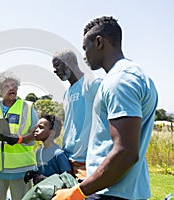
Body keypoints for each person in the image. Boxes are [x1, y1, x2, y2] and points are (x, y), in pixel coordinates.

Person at [53, 16, 158, 199]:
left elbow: (125, 152)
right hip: (125, 191)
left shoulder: (120, 80)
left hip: (112, 193)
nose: (84, 56)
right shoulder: (135, 75)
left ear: (99, 42)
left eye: (86, 48)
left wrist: (77, 192)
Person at [0, 71, 39, 200]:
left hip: (21, 168)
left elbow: (36, 132)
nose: (11, 88)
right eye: (6, 86)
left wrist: (21, 139)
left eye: (14, 85)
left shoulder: (28, 107)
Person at [52, 48, 102, 179]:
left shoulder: (92, 84)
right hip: (66, 158)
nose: (54, 70)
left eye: (57, 65)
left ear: (69, 61)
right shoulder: (66, 93)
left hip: (86, 160)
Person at [24, 114, 72, 185]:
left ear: (52, 133)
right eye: (36, 127)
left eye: (41, 127)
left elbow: (68, 180)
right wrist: (33, 174)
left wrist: (43, 178)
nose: (36, 130)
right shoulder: (39, 152)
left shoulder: (58, 154)